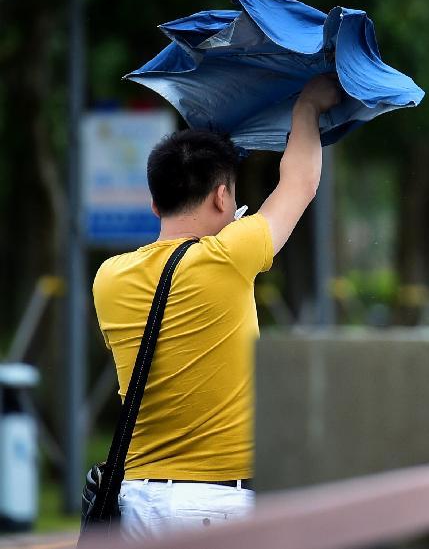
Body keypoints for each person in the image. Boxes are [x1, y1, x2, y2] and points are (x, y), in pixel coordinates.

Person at [92, 75, 342, 540]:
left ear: (154, 203)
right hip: (214, 502)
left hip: (136, 501)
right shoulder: (229, 256)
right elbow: (301, 181)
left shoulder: (109, 278)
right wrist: (308, 106)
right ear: (222, 196)